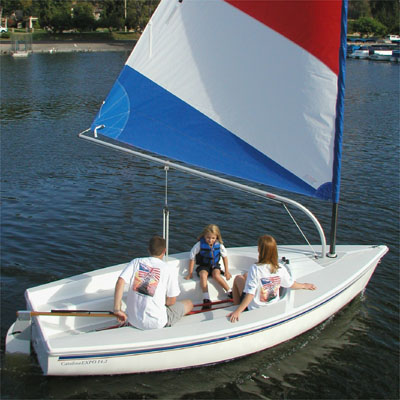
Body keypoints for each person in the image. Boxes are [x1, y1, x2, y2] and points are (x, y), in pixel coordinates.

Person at [228, 235, 316, 323]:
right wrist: (304, 285)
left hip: (255, 307)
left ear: (260, 250)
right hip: (271, 303)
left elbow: (250, 294)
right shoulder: (280, 268)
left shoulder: (255, 268)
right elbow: (290, 284)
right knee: (247, 275)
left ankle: (236, 305)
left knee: (238, 278)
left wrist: (238, 311)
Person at [113, 236, 193, 329]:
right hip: (156, 323)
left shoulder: (136, 262)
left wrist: (117, 309)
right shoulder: (168, 269)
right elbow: (171, 301)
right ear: (164, 251)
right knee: (189, 303)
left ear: (148, 250)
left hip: (132, 320)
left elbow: (120, 281)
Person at [185, 224, 232, 309]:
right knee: (203, 275)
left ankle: (230, 292)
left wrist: (227, 271)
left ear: (217, 237)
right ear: (204, 236)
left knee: (216, 275)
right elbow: (192, 257)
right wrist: (190, 273)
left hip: (214, 265)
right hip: (203, 266)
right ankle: (206, 299)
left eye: (213, 238)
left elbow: (225, 257)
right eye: (208, 238)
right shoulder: (199, 244)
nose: (210, 240)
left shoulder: (220, 245)